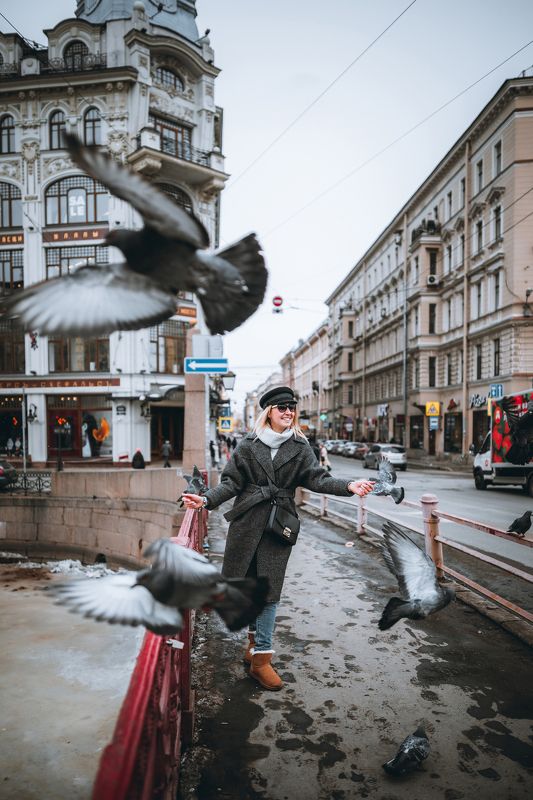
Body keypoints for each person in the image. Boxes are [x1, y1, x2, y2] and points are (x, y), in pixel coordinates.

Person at [182, 385, 374, 692]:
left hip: (278, 524)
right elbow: (231, 483)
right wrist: (205, 500)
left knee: (269, 591)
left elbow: (317, 479)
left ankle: (261, 660)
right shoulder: (248, 445)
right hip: (247, 522)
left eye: (291, 407)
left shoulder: (300, 446)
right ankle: (252, 645)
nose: (288, 412)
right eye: (282, 407)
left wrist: (349, 486)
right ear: (269, 412)